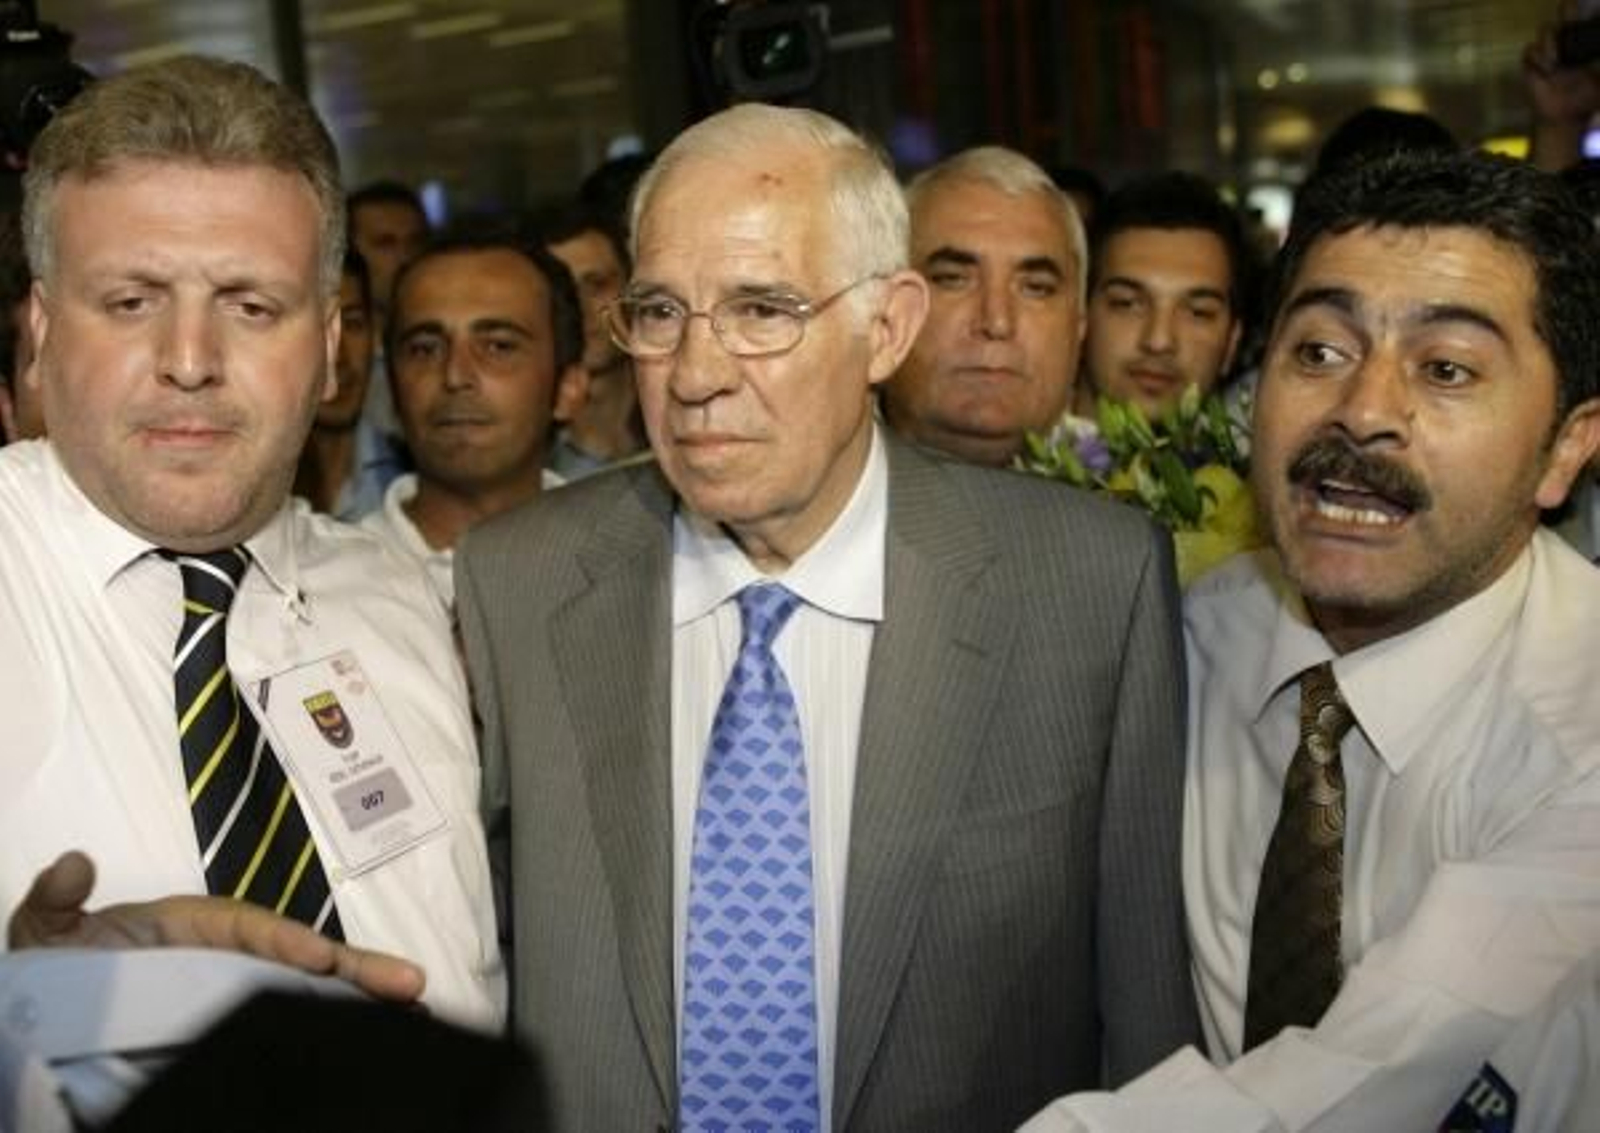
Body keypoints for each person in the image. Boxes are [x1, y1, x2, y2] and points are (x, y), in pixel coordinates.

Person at [456, 103, 1196, 1132]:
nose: (696, 374)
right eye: (661, 312)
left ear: (887, 326)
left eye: (761, 310)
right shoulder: (517, 582)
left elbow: (1150, 1022)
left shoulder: (1084, 585)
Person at [1022, 150, 1600, 1130]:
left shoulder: (1577, 729)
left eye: (1446, 368)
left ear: (1566, 449)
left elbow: (1381, 1070)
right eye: (1321, 351)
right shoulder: (1186, 639)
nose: (1363, 410)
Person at [0, 56, 502, 1029]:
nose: (189, 361)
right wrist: (18, 1015)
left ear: (327, 350)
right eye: (132, 301)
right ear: (40, 330)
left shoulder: (391, 590)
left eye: (251, 306)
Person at [362, 230, 585, 606]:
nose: (455, 375)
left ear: (567, 388)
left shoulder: (637, 570)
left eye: (498, 346)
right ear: (392, 388)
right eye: (424, 349)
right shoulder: (327, 587)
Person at [881, 145, 1086, 467]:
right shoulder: (806, 490)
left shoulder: (1139, 496)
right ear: (887, 316)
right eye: (952, 279)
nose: (997, 322)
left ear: (1079, 328)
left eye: (1036, 288)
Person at [1074, 171, 1249, 422]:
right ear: (1079, 318)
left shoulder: (1248, 458)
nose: (1159, 341)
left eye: (1198, 313)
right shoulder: (1011, 453)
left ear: (1232, 344)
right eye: (1127, 304)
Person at [292, 249, 405, 518]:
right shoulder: (242, 481)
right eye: (315, 329)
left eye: (353, 324)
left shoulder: (410, 473)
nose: (339, 356)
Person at [540, 204, 648, 479]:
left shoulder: (684, 430)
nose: (581, 307)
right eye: (563, 289)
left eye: (596, 285)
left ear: (633, 290)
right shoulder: (522, 462)